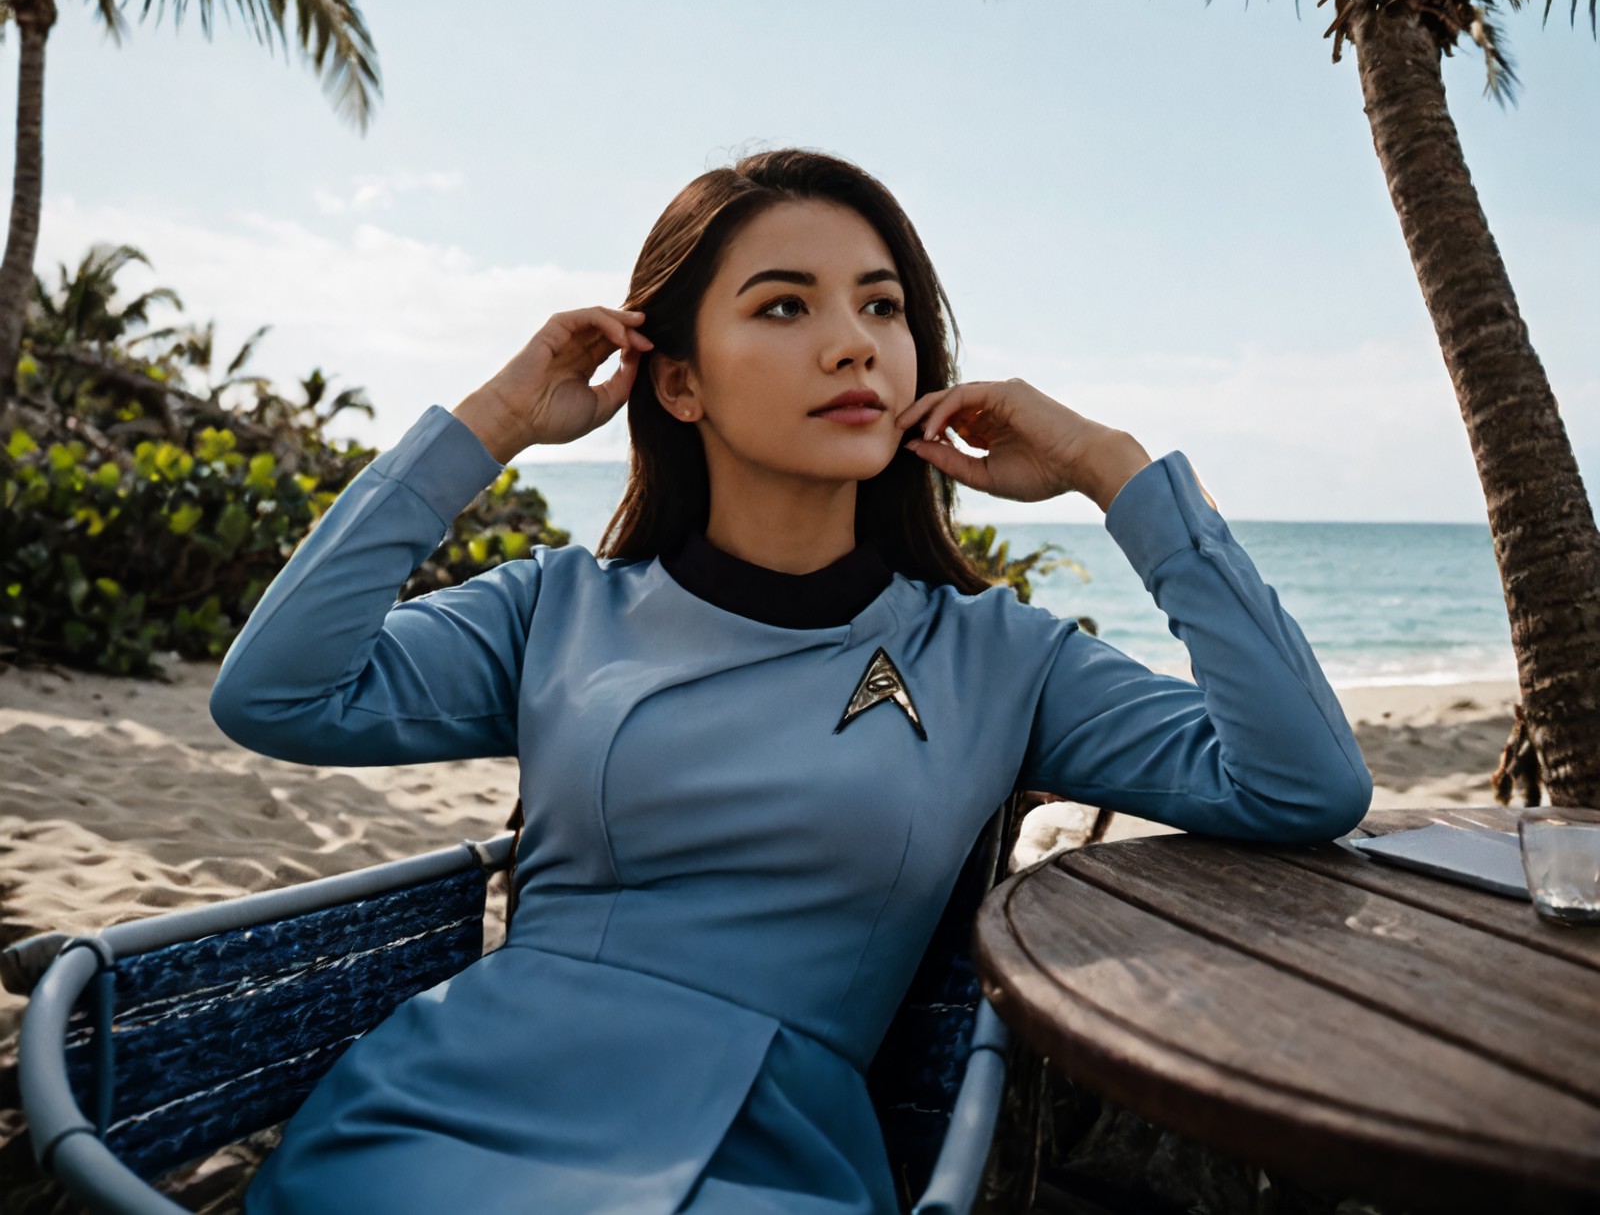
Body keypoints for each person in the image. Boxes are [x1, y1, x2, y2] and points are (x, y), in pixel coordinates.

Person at [210, 148, 1371, 1215]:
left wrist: (1116, 474)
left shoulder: (999, 656)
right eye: (783, 306)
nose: (853, 342)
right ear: (678, 385)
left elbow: (1299, 783)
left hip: (767, 1154)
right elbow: (277, 695)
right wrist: (493, 423)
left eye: (882, 306)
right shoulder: (554, 608)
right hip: (449, 1111)